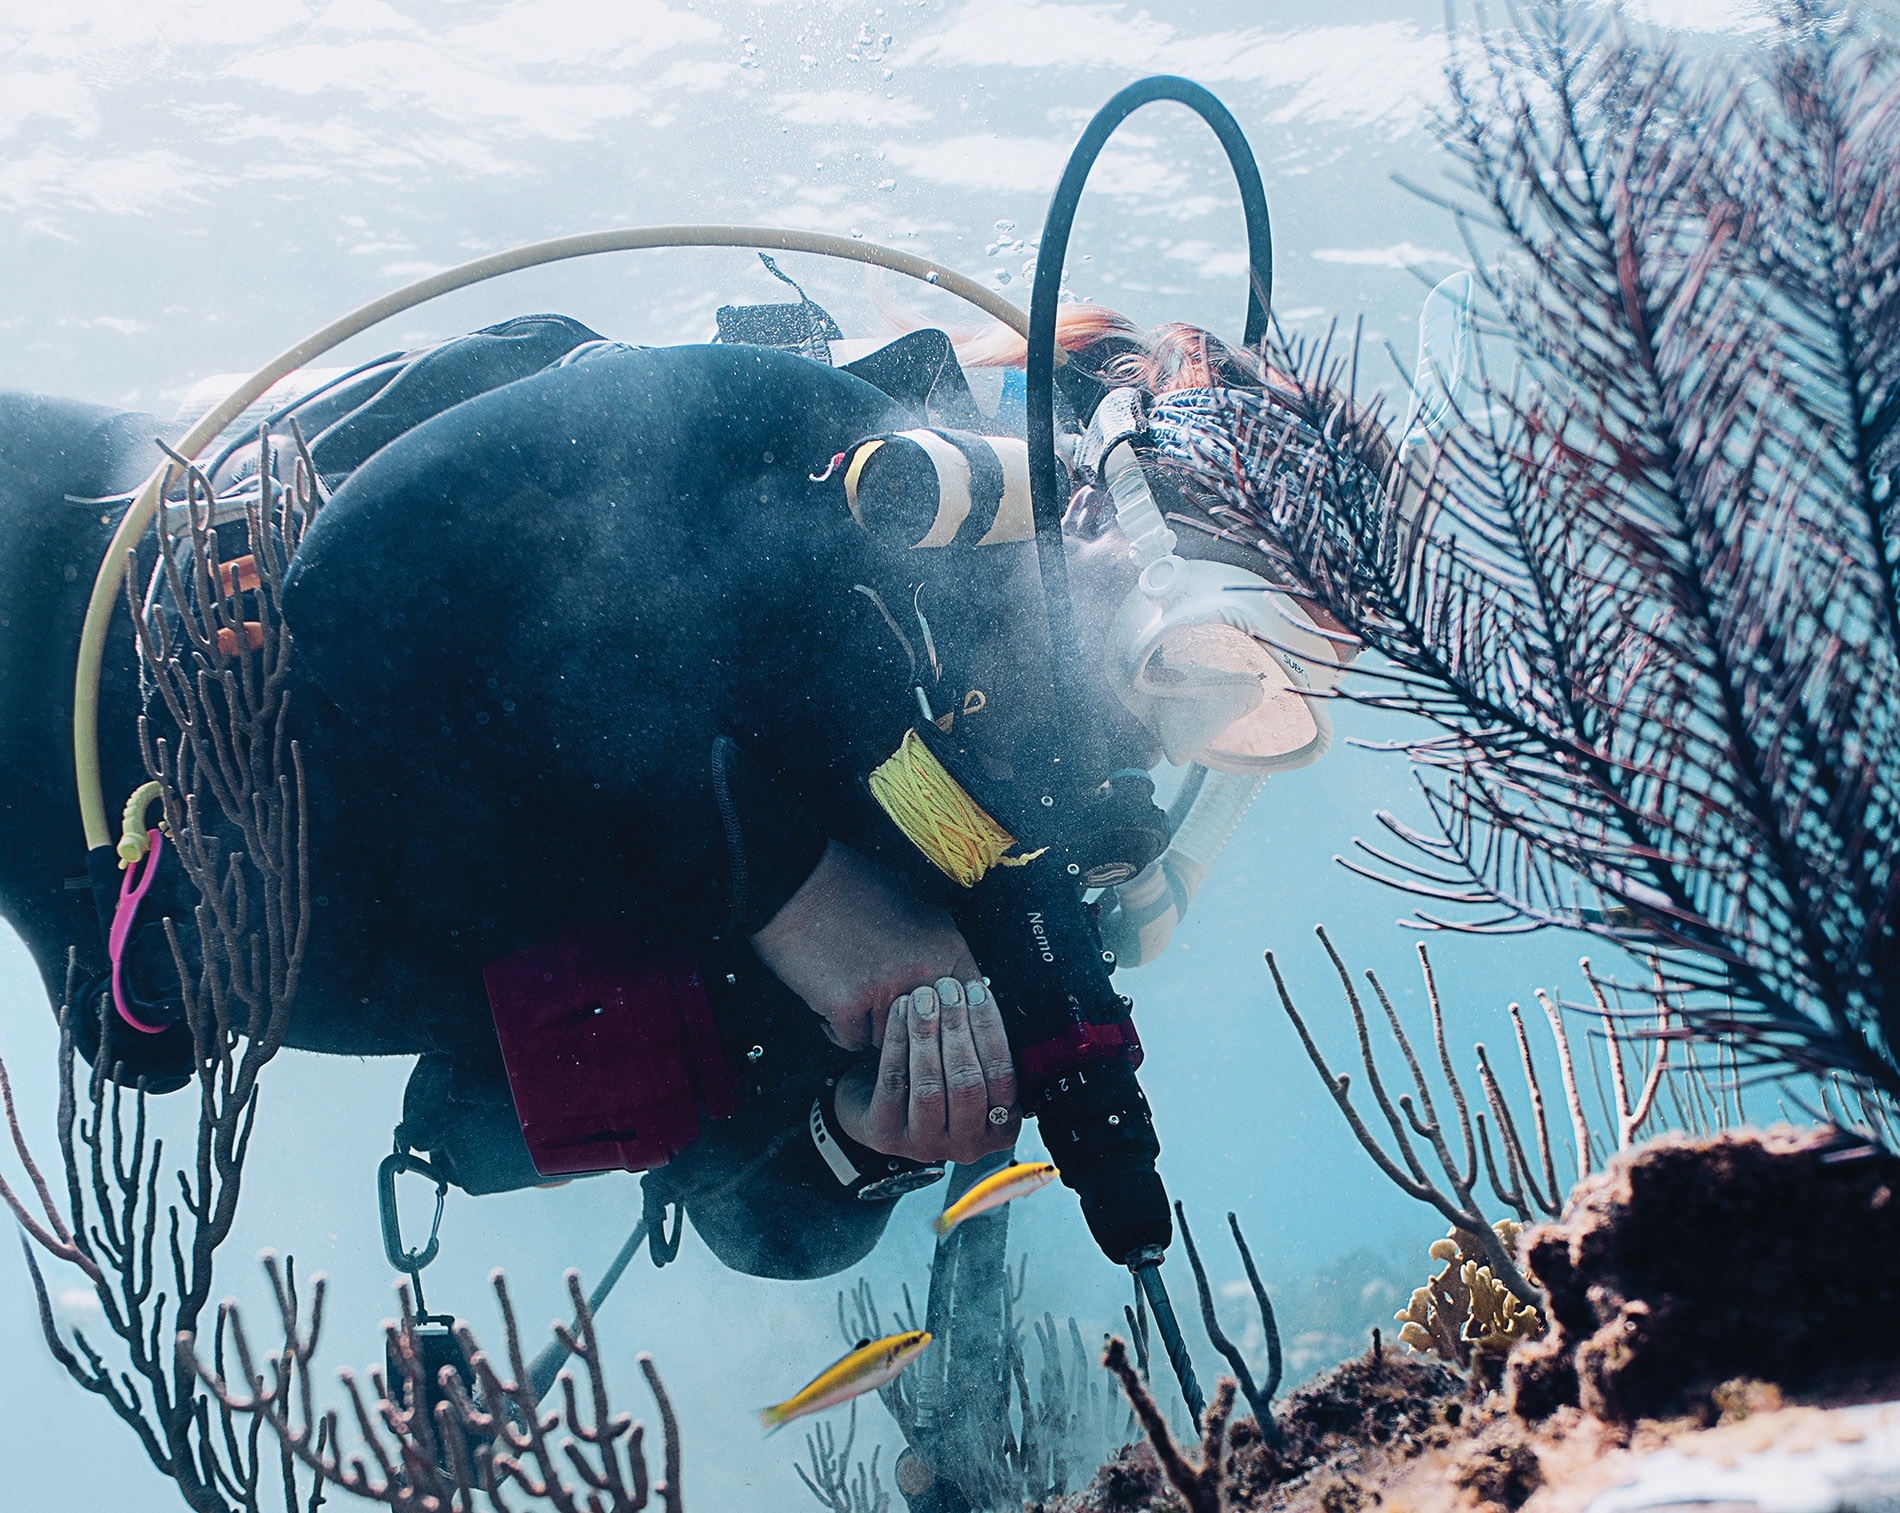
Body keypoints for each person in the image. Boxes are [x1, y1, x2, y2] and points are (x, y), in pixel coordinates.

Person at [0, 296, 1362, 1281]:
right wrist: (802, 901)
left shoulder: (1007, 835)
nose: (1203, 692)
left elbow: (745, 1220)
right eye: (1220, 609)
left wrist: (863, 1140)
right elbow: (367, 581)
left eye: (1269, 687)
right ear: (1111, 492)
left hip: (138, 915)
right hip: (51, 584)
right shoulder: (823, 460)